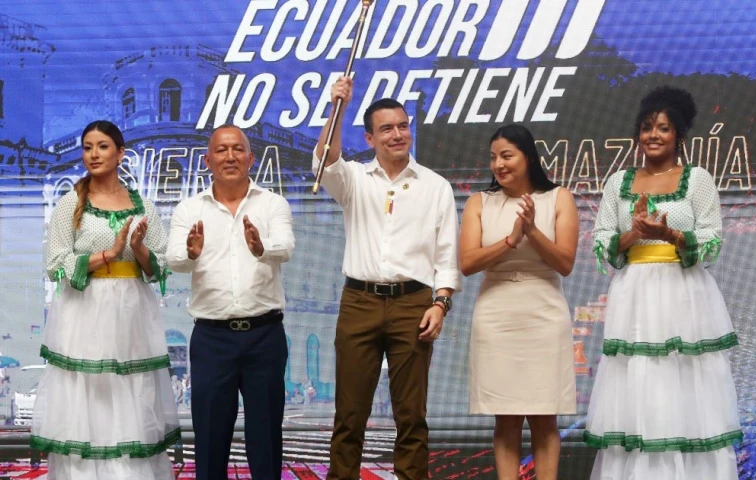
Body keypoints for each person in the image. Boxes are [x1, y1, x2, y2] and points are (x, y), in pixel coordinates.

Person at [586, 86, 741, 479]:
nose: (653, 135)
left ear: (679, 136)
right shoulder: (618, 182)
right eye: (646, 128)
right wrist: (635, 233)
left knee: (684, 381)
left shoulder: (697, 180)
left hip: (684, 292)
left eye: (663, 128)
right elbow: (602, 243)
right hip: (634, 294)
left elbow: (711, 242)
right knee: (639, 383)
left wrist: (671, 235)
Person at [312, 76, 460, 480]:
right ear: (370, 137)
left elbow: (447, 256)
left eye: (403, 125)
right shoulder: (355, 179)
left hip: (415, 304)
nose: (397, 135)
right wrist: (336, 107)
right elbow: (323, 160)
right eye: (387, 129)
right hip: (359, 302)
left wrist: (440, 303)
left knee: (411, 415)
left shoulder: (436, 186)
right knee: (350, 415)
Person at [32, 120, 178, 479]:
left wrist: (139, 249)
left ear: (120, 153)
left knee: (131, 390)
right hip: (84, 310)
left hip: (131, 313)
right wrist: (109, 253)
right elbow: (55, 264)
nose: (93, 154)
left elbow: (160, 265)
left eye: (102, 146)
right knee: (89, 392)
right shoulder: (72, 202)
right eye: (87, 147)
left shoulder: (141, 204)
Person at [166, 124, 294, 480]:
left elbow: (286, 247)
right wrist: (191, 254)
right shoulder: (189, 208)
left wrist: (260, 247)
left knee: (266, 434)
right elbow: (173, 258)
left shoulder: (272, 204)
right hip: (212, 339)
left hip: (264, 335)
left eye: (238, 149)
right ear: (207, 160)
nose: (230, 156)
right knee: (209, 435)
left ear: (251, 158)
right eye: (221, 150)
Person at [459, 124, 578, 480]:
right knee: (505, 416)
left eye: (507, 156)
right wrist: (511, 240)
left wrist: (532, 231)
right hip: (496, 314)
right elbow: (467, 264)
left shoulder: (559, 198)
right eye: (494, 157)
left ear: (528, 157)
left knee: (545, 415)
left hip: (544, 312)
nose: (499, 164)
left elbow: (565, 263)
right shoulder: (480, 202)